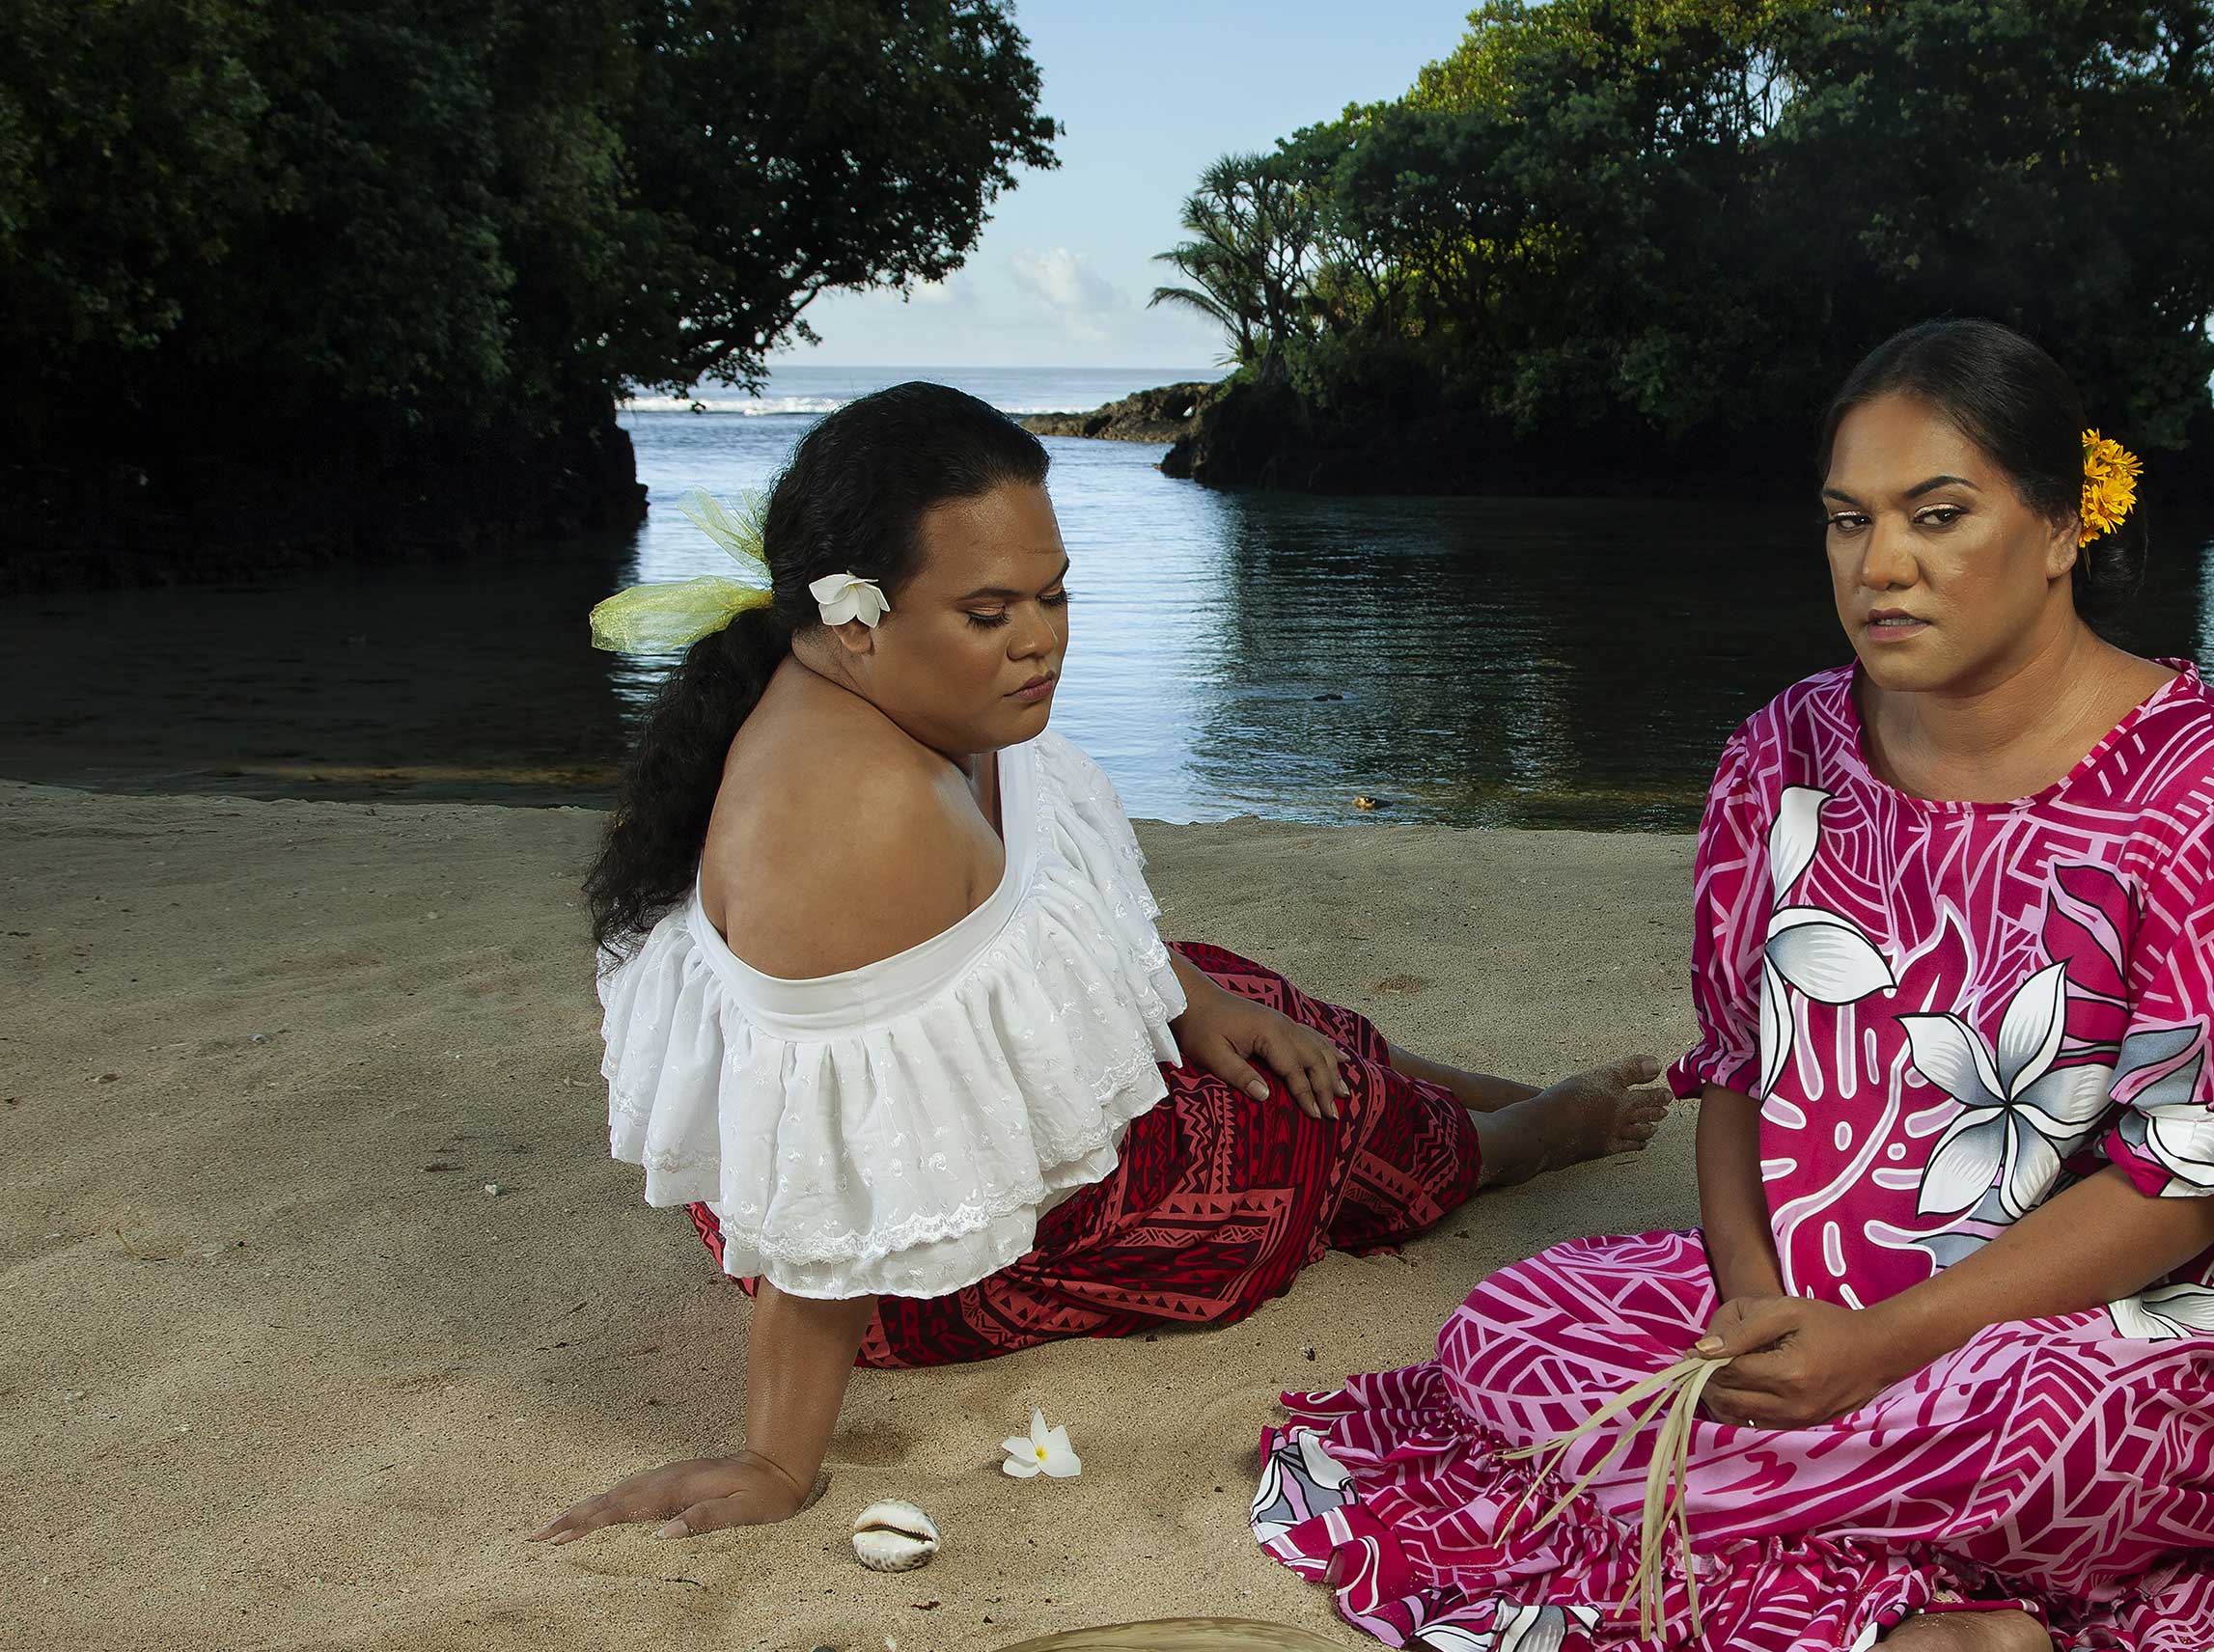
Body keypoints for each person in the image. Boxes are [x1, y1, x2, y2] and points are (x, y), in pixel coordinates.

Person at [1252, 320, 2214, 1652]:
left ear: (2058, 527)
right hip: (1831, 1301)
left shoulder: (2210, 788)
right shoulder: (1781, 755)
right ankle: (1968, 1584)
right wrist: (1755, 1308)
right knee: (1505, 1339)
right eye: (1848, 520)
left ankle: (2005, 1634)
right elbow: (1736, 1071)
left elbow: (2201, 1183)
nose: (1876, 565)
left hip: (2140, 1326)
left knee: (2046, 1426)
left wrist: (1886, 1352)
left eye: (1935, 516)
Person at [537, 383, 1669, 1546]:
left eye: (1054, 591)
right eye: (990, 612)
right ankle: (1497, 1143)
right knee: (1285, 1118)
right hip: (913, 1257)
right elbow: (837, 1183)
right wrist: (777, 1456)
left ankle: (1455, 1094)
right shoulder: (855, 817)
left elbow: (1041, 918)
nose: (1041, 638)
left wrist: (1183, 989)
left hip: (908, 1162)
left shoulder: (886, 683)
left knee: (1243, 992)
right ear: (858, 617)